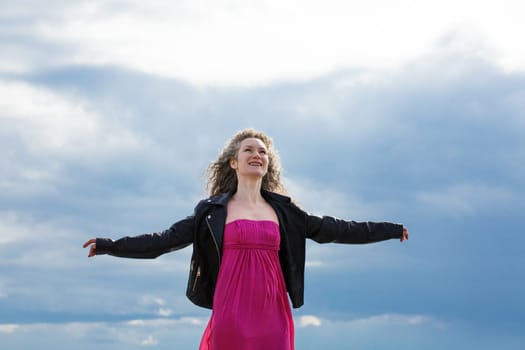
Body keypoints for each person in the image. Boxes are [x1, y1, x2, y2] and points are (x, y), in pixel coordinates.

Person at [83, 128, 409, 350]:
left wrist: (390, 229)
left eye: (263, 151)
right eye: (248, 150)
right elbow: (163, 241)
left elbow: (340, 229)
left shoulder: (285, 212)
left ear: (269, 164)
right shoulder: (212, 213)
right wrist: (111, 245)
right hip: (231, 315)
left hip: (273, 315)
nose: (257, 154)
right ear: (233, 162)